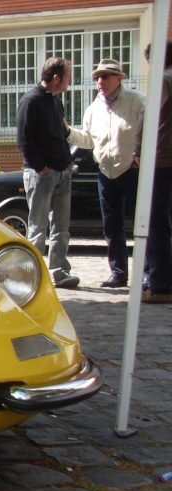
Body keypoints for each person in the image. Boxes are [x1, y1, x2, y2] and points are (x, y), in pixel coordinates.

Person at [66, 59, 145, 288]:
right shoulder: (93, 109)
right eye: (97, 77)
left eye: (106, 76)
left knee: (141, 225)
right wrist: (69, 132)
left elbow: (151, 132)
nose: (100, 81)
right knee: (111, 225)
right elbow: (89, 141)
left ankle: (147, 273)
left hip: (132, 171)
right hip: (106, 173)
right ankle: (118, 273)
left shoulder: (137, 101)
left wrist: (139, 160)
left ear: (119, 78)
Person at [16, 57, 79, 289]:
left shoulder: (55, 102)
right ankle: (30, 275)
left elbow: (61, 134)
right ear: (56, 78)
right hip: (41, 175)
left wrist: (68, 162)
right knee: (37, 228)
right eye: (68, 77)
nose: (70, 81)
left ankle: (59, 272)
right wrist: (41, 168)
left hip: (62, 173)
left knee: (61, 228)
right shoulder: (31, 101)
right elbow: (24, 140)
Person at [135, 42, 172, 304]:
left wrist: (138, 150)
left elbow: (149, 120)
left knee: (156, 224)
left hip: (161, 161)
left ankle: (160, 284)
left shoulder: (164, 81)